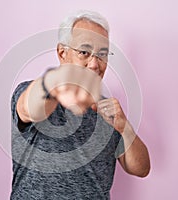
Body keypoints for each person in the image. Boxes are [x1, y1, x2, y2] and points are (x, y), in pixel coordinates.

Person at [10, 10, 150, 200]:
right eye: (84, 52)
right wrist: (55, 84)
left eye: (102, 54)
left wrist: (125, 128)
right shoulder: (32, 91)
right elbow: (30, 109)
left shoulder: (108, 111)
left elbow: (141, 169)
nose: (94, 64)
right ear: (62, 53)